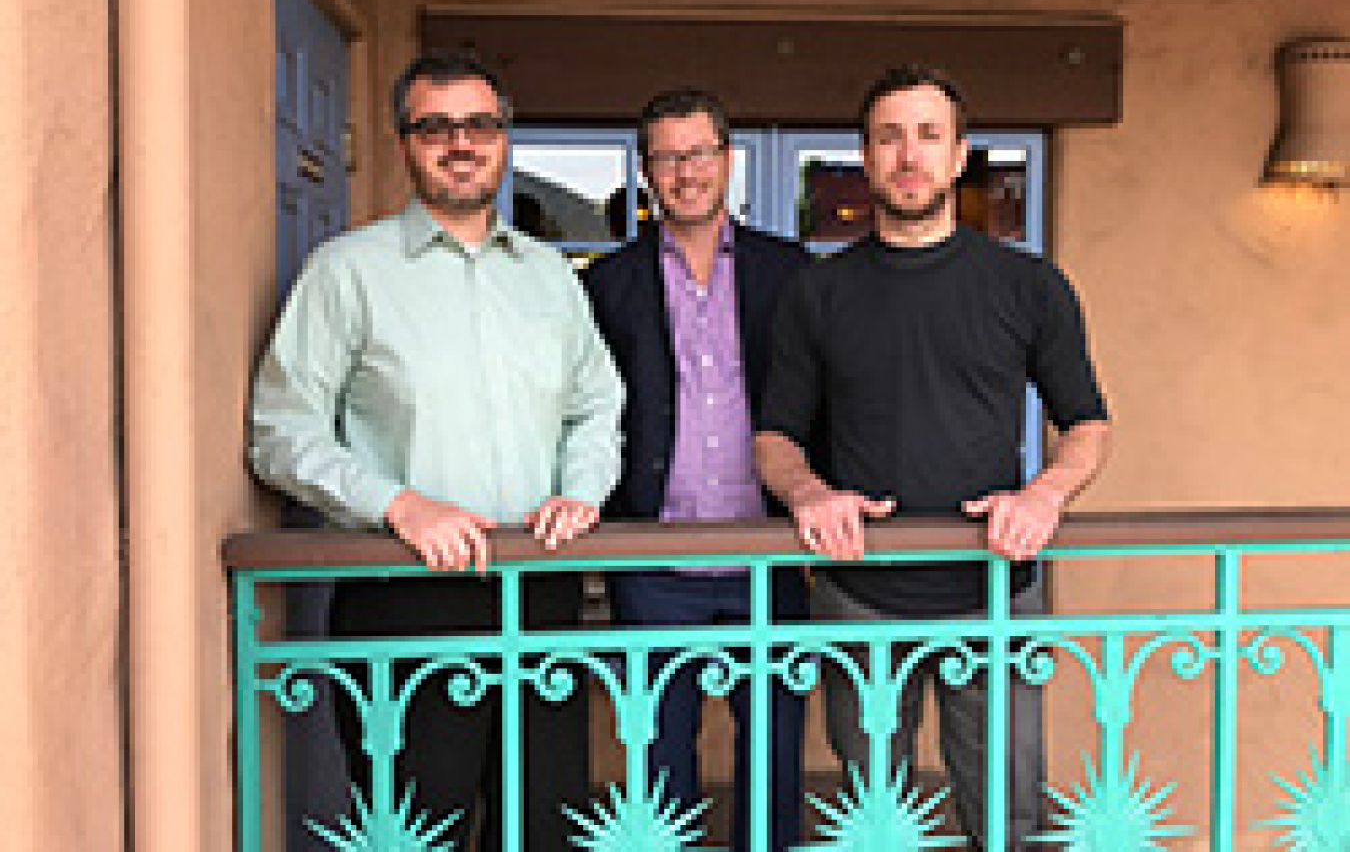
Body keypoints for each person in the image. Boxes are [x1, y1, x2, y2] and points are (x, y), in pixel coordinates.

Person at [249, 52, 623, 850]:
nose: (461, 142)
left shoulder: (551, 280)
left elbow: (597, 403)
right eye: (435, 126)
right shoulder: (347, 272)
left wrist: (582, 489)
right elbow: (282, 429)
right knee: (419, 830)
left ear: (504, 138)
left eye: (480, 124)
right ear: (403, 142)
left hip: (540, 591)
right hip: (405, 596)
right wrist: (399, 503)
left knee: (543, 827)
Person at [754, 64, 1111, 848]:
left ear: (959, 156)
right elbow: (774, 435)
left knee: (1007, 818)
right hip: (859, 599)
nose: (908, 154)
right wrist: (808, 492)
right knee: (875, 820)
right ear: (865, 155)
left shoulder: (1029, 285)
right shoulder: (819, 292)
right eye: (889, 137)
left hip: (994, 593)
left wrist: (1045, 494)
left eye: (927, 135)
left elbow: (1086, 424)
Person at [582, 89, 811, 851]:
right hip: (653, 553)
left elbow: (827, 394)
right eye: (668, 156)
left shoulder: (791, 271)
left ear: (728, 160)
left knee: (774, 758)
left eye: (700, 153)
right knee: (658, 760)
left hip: (768, 553)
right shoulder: (604, 283)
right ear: (645, 171)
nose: (686, 171)